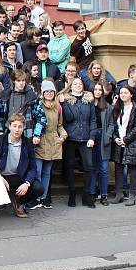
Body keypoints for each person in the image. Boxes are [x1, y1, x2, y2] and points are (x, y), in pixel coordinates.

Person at [0, 114, 44, 218]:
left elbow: (33, 167)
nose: (17, 130)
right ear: (9, 126)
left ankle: (19, 202)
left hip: (18, 176)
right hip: (1, 176)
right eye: (14, 126)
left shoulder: (28, 143)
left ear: (23, 127)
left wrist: (27, 183)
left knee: (38, 188)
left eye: (20, 126)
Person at [60, 78, 98, 208]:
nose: (78, 86)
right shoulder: (67, 100)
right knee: (69, 166)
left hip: (85, 137)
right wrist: (64, 103)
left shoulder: (88, 101)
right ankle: (72, 193)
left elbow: (93, 120)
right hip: (70, 137)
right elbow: (68, 118)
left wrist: (92, 137)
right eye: (75, 84)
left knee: (89, 166)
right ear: (71, 86)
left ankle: (86, 195)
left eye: (80, 84)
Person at [108, 85, 136, 206]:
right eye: (121, 93)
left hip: (132, 142)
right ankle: (119, 194)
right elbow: (113, 125)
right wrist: (115, 138)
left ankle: (132, 195)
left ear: (131, 94)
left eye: (126, 93)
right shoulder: (117, 108)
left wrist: (127, 139)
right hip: (119, 142)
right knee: (118, 168)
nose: (123, 95)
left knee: (132, 169)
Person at [32, 80, 66, 209]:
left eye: (51, 91)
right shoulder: (38, 105)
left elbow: (60, 125)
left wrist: (62, 136)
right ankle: (36, 197)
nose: (49, 93)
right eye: (47, 91)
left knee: (47, 172)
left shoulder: (58, 107)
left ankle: (44, 197)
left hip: (53, 141)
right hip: (40, 140)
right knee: (38, 171)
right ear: (43, 93)